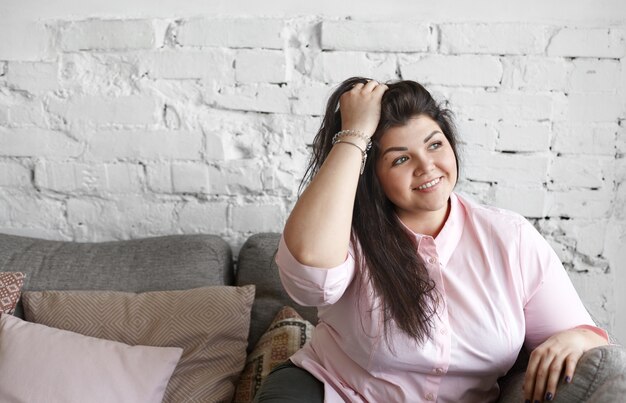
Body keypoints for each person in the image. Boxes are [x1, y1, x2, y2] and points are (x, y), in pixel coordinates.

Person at [255, 77, 609, 403]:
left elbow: (580, 333)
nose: (427, 167)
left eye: (435, 144)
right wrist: (354, 132)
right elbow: (310, 275)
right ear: (372, 175)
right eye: (401, 159)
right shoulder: (346, 235)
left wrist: (579, 337)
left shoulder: (510, 237)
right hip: (330, 392)